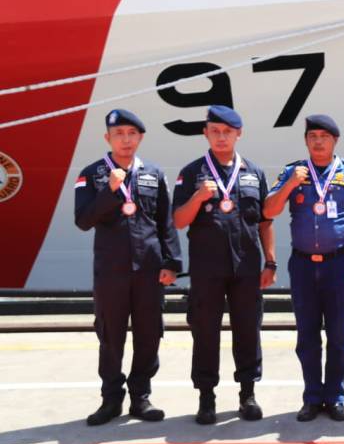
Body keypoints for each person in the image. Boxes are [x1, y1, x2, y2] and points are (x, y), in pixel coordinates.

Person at [74, 109, 182, 426]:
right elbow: (83, 220)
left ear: (140, 138)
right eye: (118, 134)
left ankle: (141, 397)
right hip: (111, 272)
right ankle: (110, 399)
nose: (125, 139)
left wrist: (172, 263)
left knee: (149, 334)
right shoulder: (91, 174)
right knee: (111, 336)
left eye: (131, 133)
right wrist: (109, 190)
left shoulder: (153, 174)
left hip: (149, 270)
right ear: (107, 138)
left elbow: (165, 223)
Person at [264, 114, 344, 422]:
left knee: (339, 334)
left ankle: (335, 396)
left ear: (335, 140)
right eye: (313, 136)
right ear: (306, 141)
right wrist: (290, 184)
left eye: (324, 136)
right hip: (302, 265)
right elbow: (269, 210)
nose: (318, 141)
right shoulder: (293, 172)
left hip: (340, 264)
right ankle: (312, 397)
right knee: (307, 334)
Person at [172, 105, 276, 425]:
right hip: (207, 269)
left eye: (227, 132)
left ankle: (247, 394)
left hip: (247, 267)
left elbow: (264, 221)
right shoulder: (191, 173)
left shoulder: (254, 172)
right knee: (205, 332)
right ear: (205, 133)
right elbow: (178, 221)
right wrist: (197, 198)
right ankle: (206, 397)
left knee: (248, 330)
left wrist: (270, 261)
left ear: (238, 134)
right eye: (215, 131)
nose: (221, 137)